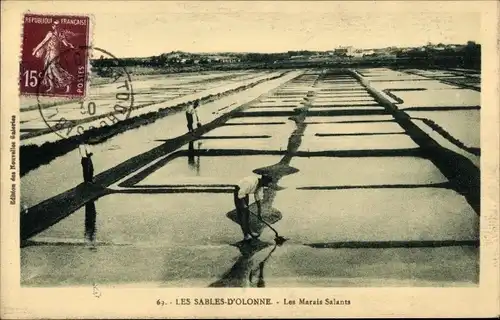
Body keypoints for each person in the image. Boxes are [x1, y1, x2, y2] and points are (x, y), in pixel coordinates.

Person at [32, 20, 76, 93]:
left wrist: (70, 45)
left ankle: (67, 83)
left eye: (57, 25)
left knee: (54, 68)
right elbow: (43, 42)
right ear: (53, 26)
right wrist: (35, 50)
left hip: (55, 53)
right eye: (54, 25)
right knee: (48, 70)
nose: (55, 26)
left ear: (59, 27)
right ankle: (51, 87)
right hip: (48, 53)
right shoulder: (50, 34)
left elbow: (65, 44)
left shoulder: (61, 35)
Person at [234, 174, 273, 241]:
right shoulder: (250, 182)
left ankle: (250, 232)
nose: (266, 185)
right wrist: (244, 205)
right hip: (239, 192)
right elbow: (240, 194)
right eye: (266, 183)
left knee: (246, 215)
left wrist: (259, 212)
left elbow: (257, 197)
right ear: (263, 180)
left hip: (245, 193)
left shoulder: (260, 184)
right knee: (243, 214)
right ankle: (246, 235)